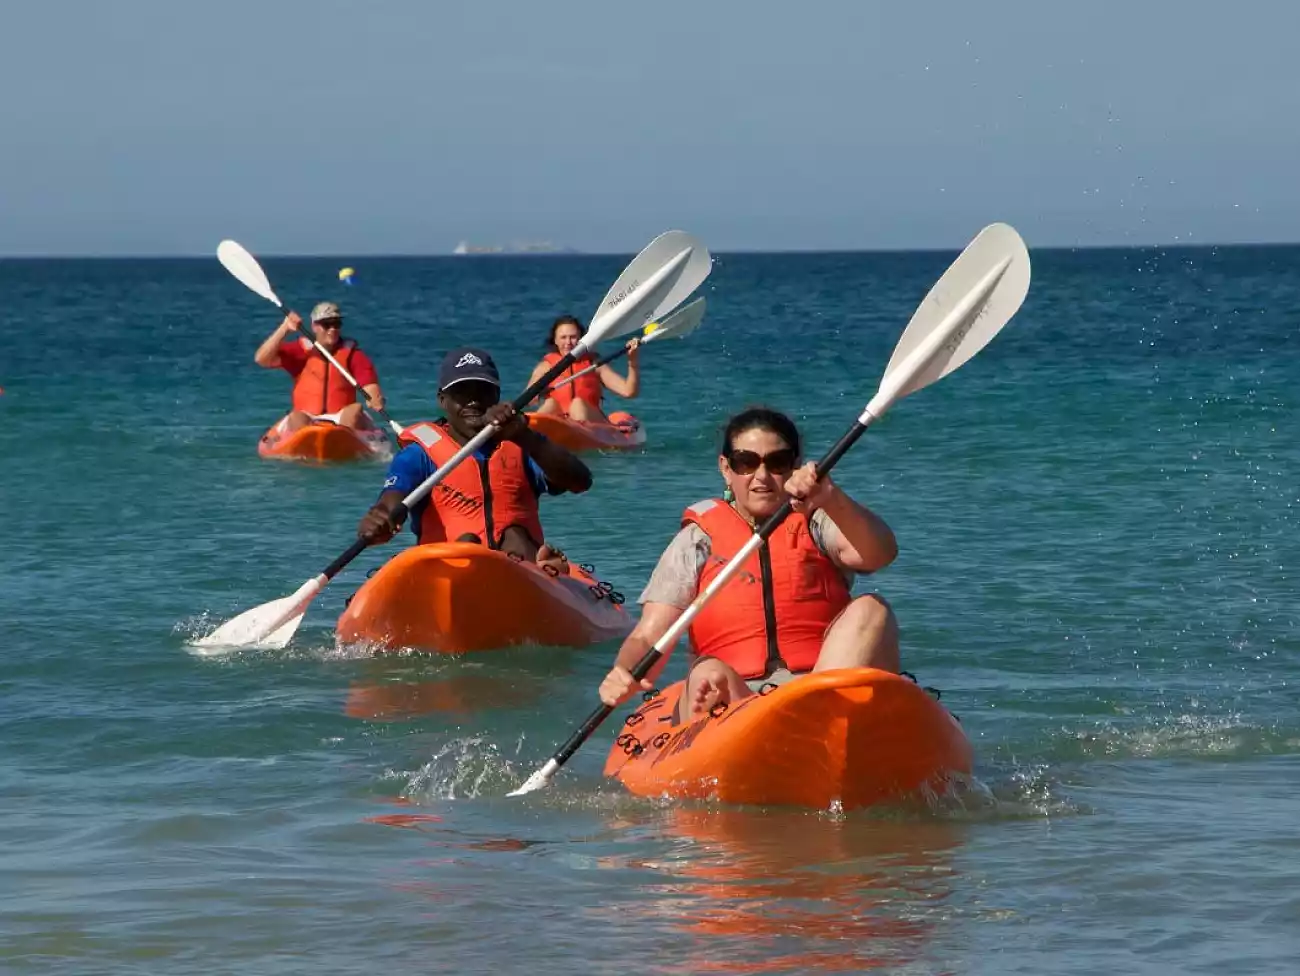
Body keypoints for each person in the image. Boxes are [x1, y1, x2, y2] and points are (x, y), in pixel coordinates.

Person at [598, 407, 899, 721]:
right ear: (726, 469)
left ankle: (814, 714)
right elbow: (649, 636)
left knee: (872, 610)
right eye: (746, 462)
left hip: (818, 686)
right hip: (737, 692)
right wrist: (624, 671)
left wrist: (832, 498)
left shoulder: (818, 519)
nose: (762, 476)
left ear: (795, 466)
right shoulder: (698, 539)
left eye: (778, 462)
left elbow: (878, 554)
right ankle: (743, 722)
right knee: (708, 675)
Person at [357, 347, 591, 574]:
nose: (473, 401)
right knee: (466, 544)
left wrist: (523, 435)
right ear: (442, 400)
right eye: (462, 393)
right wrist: (379, 520)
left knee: (514, 535)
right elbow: (390, 503)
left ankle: (536, 569)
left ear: (497, 397)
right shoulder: (419, 454)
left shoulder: (521, 443)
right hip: (449, 573)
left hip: (518, 572)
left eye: (482, 391)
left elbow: (580, 481)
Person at [253, 301, 385, 432]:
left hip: (341, 418)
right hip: (307, 415)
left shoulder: (353, 355)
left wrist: (374, 396)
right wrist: (284, 329)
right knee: (296, 416)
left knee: (355, 410)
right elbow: (262, 359)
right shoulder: (300, 351)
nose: (332, 329)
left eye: (336, 324)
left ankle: (343, 439)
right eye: (326, 324)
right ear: (314, 326)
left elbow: (369, 384)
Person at [528, 315, 640, 425]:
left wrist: (632, 361)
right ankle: (533, 433)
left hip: (591, 421)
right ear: (555, 340)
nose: (568, 342)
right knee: (550, 404)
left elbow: (628, 391)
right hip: (559, 422)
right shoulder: (545, 367)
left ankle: (578, 434)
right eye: (563, 337)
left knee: (578, 404)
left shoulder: (594, 364)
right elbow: (529, 400)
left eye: (573, 337)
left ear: (581, 339)